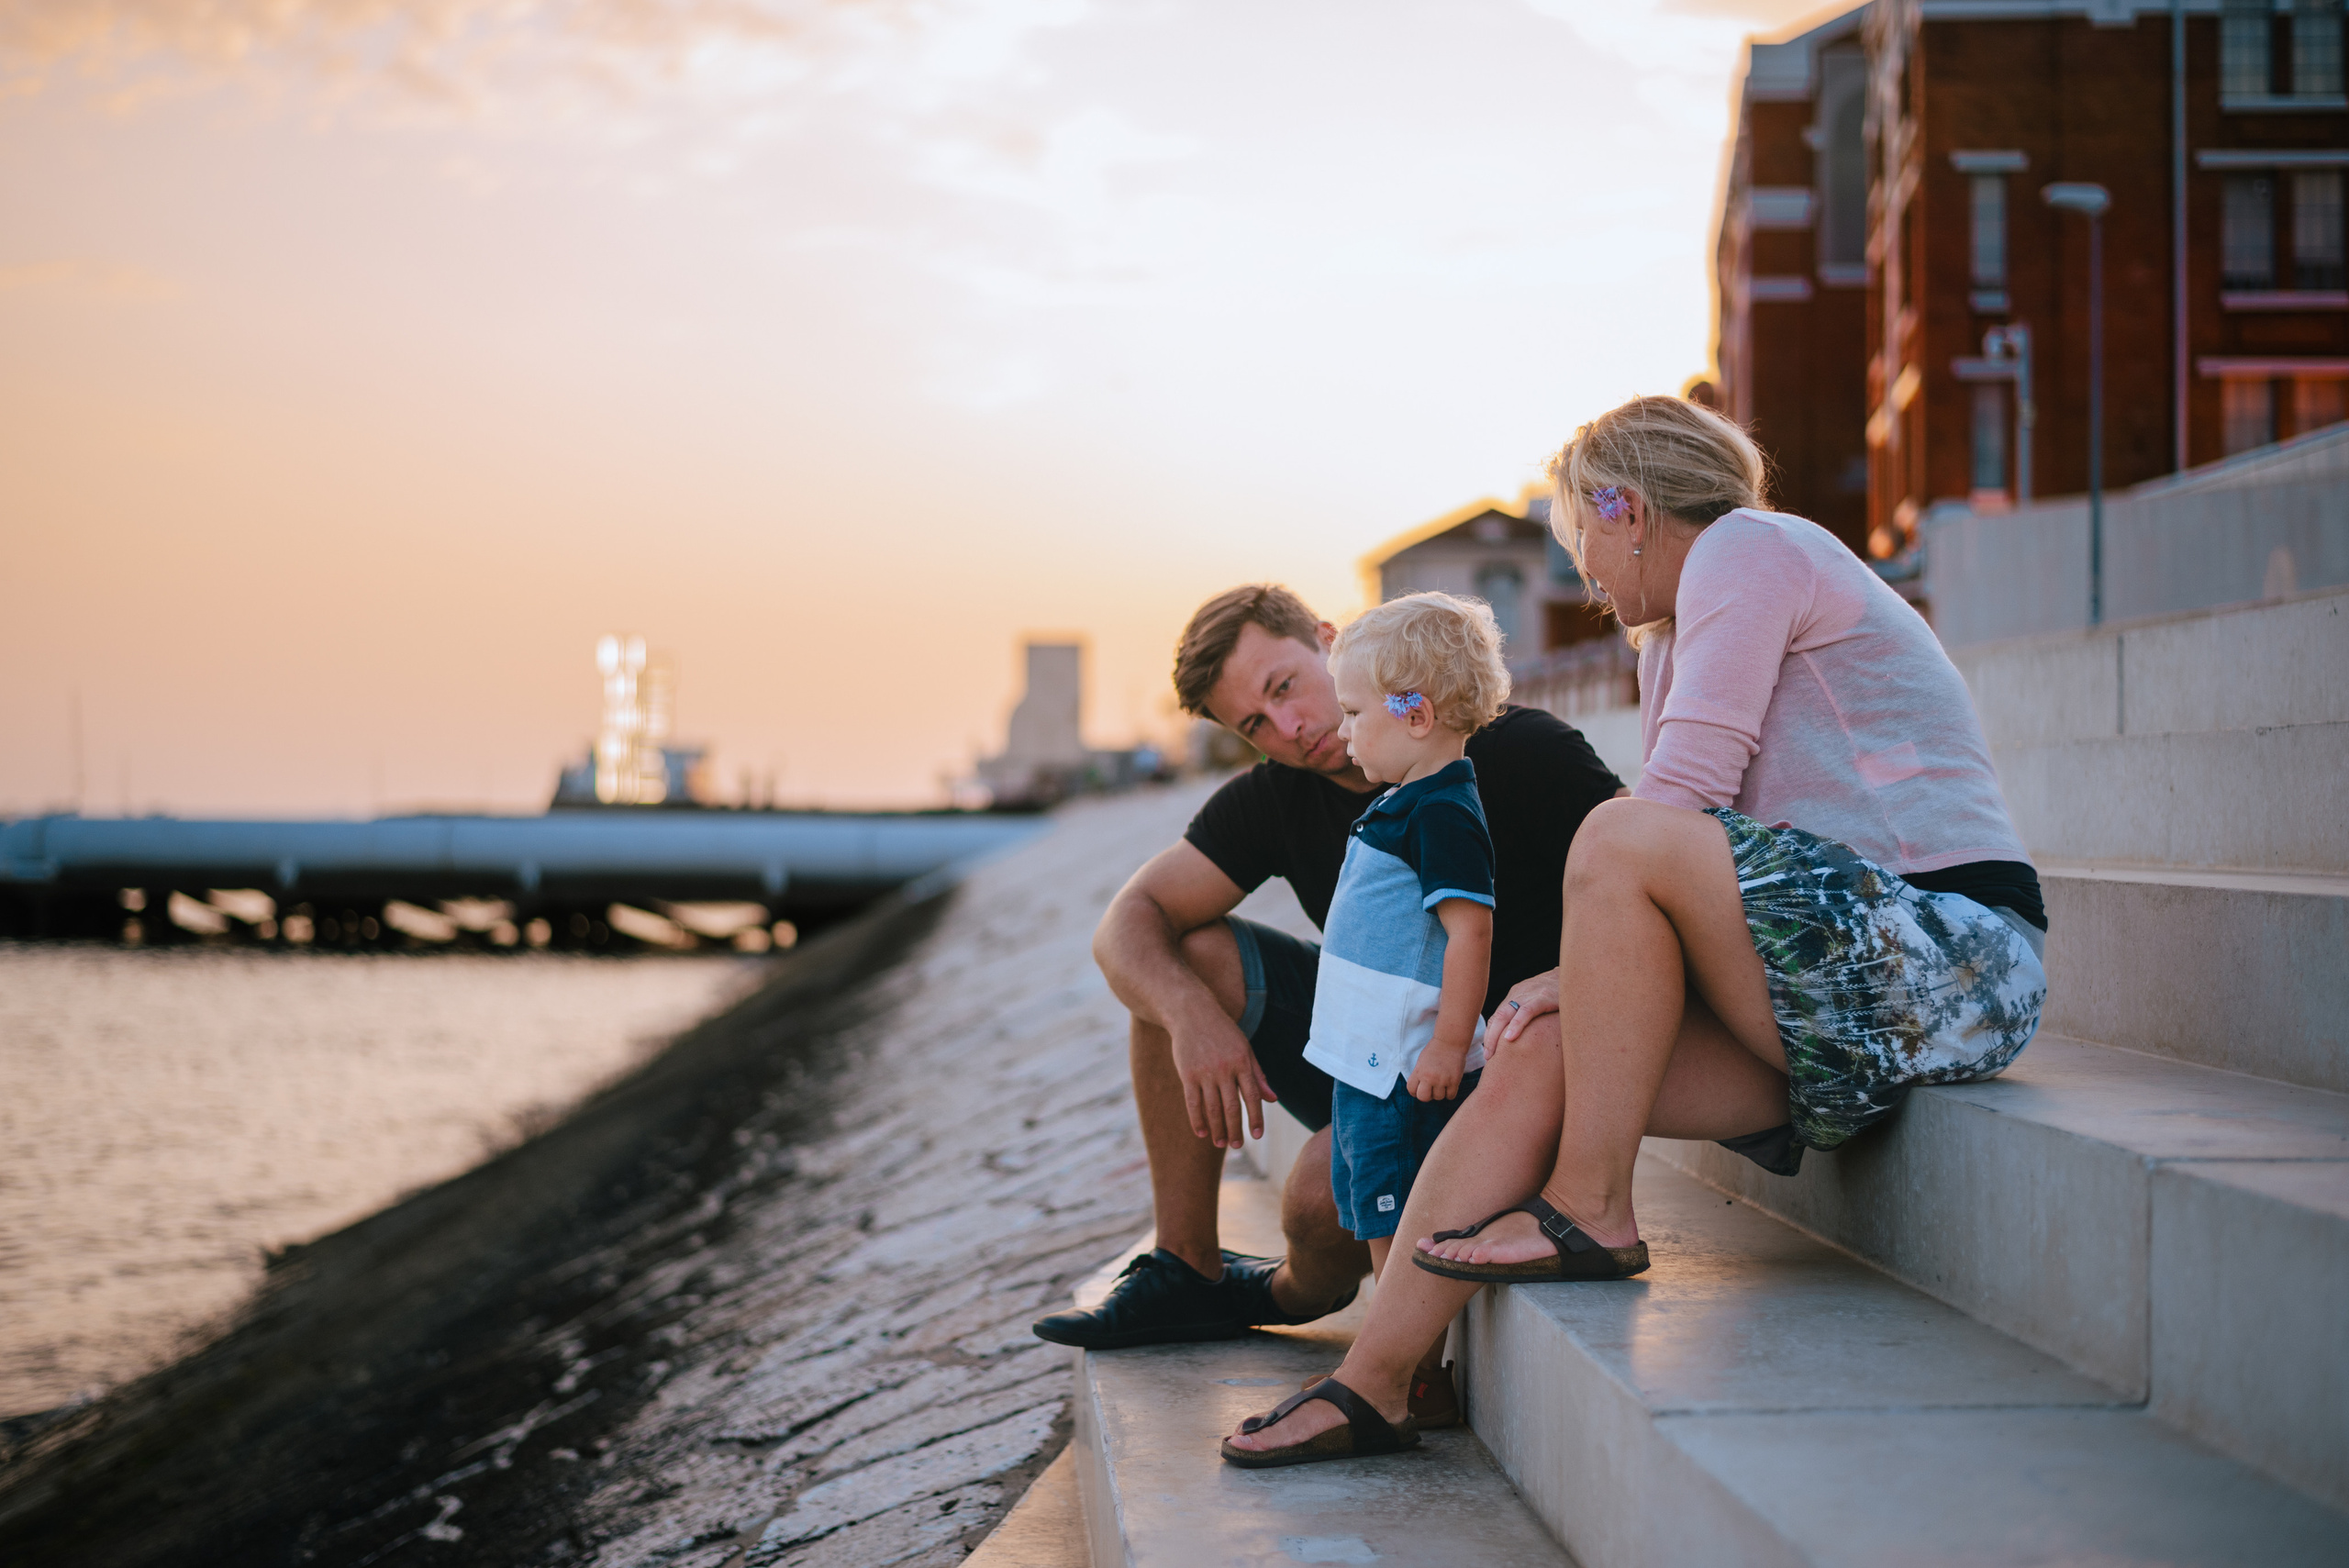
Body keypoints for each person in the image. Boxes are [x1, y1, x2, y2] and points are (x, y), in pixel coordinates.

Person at [1222, 394, 2047, 1466]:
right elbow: (1709, 847)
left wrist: (1579, 958)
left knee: (1615, 834)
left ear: (1629, 509)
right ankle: (1376, 1380)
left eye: (1582, 539)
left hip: (1955, 955)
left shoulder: (1749, 551)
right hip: (1825, 982)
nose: (1583, 575)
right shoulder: (1666, 637)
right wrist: (1580, 981)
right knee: (1536, 1043)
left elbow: (1680, 804)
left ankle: (1591, 1208)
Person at [1033, 583, 1623, 1429]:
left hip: (1490, 1067)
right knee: (1182, 960)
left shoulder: (1511, 750)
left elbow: (1644, 860)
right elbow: (1127, 923)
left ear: (1324, 637)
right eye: (1253, 725)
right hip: (1375, 1045)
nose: (1291, 729)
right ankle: (1187, 1267)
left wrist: (1575, 976)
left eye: (1282, 688)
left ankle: (1290, 1301)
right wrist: (1194, 1021)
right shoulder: (1278, 794)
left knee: (1318, 1198)